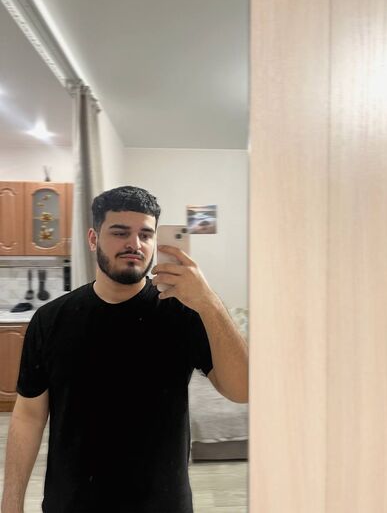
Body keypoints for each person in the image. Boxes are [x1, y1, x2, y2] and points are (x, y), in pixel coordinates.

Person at [1, 186, 248, 513]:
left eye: (146, 235)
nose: (135, 244)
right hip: (72, 503)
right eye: (120, 233)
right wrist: (11, 503)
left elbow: (242, 389)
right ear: (93, 239)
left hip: (162, 505)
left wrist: (209, 302)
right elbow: (29, 415)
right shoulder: (51, 319)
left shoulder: (185, 313)